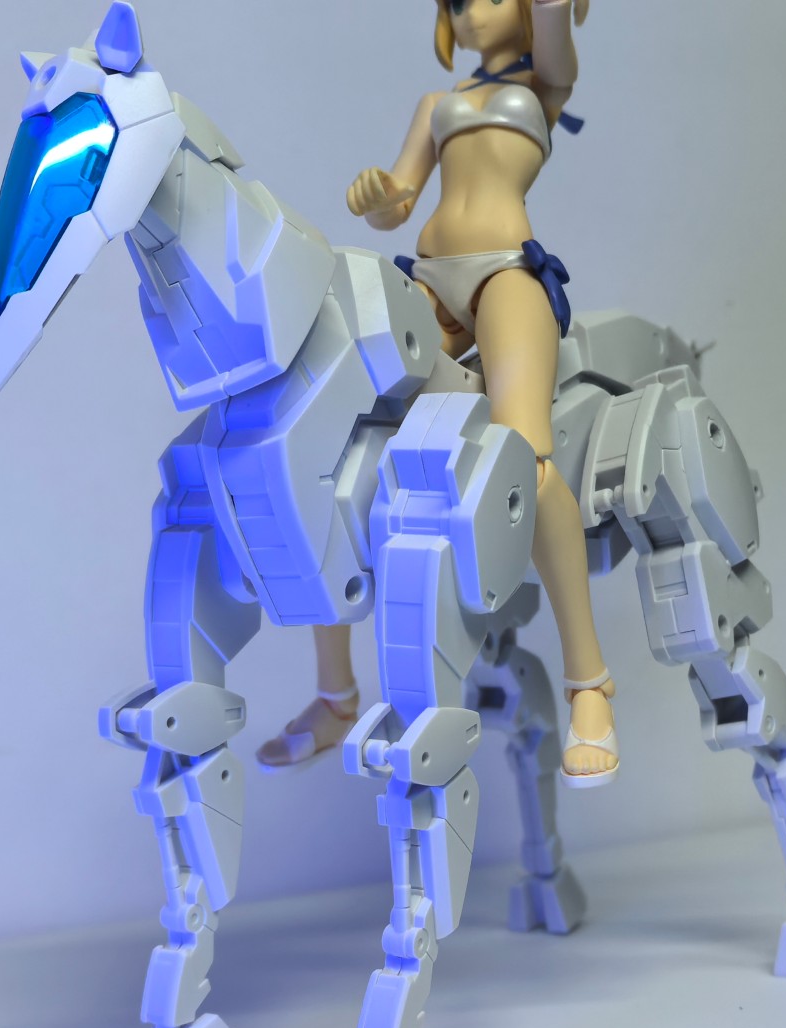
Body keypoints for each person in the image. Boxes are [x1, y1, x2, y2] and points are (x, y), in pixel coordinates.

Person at [258, 0, 616, 786]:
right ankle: (336, 695)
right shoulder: (437, 102)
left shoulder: (542, 86)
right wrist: (379, 194)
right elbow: (400, 203)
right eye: (458, 1)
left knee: (529, 461)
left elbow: (556, 31)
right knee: (327, 443)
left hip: (505, 272)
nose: (473, 10)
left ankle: (589, 686)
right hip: (427, 279)